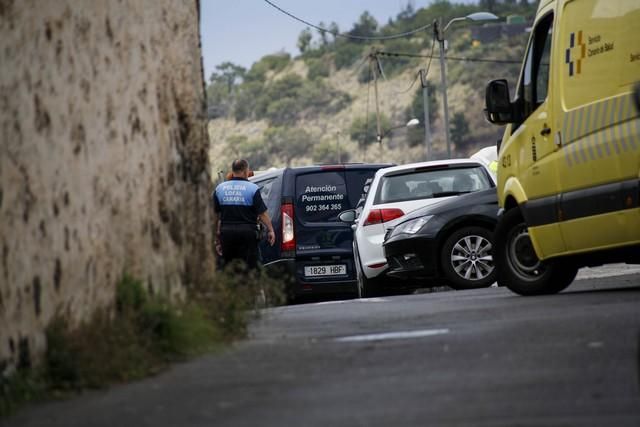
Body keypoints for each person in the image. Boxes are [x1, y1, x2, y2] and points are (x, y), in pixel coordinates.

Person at [213, 159, 275, 269]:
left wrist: (217, 240)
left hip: (227, 234)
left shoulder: (220, 189)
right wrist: (270, 230)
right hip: (247, 234)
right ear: (245, 171)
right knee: (251, 268)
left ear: (233, 171)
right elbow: (262, 214)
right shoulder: (252, 188)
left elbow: (215, 217)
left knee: (229, 268)